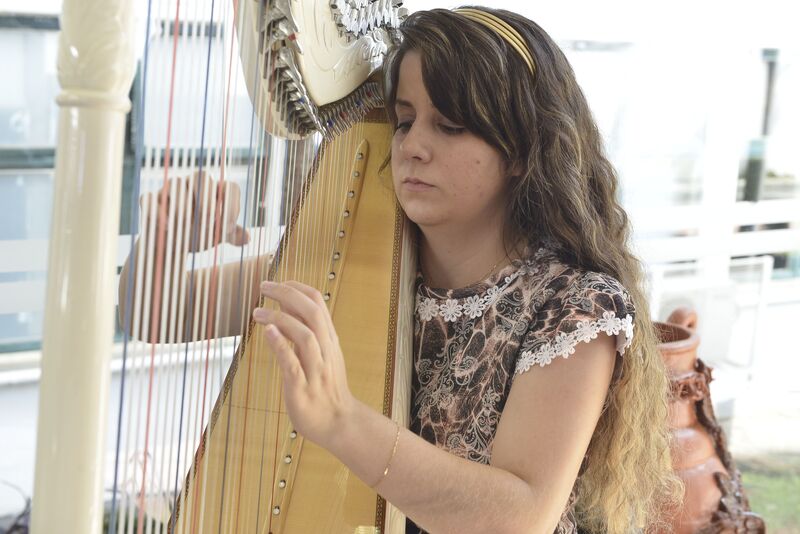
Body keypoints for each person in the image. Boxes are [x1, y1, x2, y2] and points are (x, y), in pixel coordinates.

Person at [121, 6, 682, 533]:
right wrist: (168, 241)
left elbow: (521, 516)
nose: (413, 146)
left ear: (520, 151)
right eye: (406, 120)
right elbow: (154, 313)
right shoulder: (349, 253)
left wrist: (341, 419)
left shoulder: (575, 305)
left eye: (449, 125)